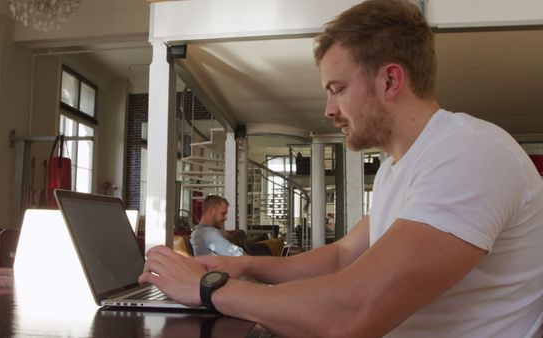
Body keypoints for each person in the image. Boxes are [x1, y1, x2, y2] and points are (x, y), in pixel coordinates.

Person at [139, 0, 543, 336]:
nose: (329, 110)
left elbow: (353, 311)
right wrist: (243, 264)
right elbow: (342, 256)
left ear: (390, 81)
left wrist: (209, 288)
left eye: (337, 90)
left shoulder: (468, 152)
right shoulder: (393, 170)